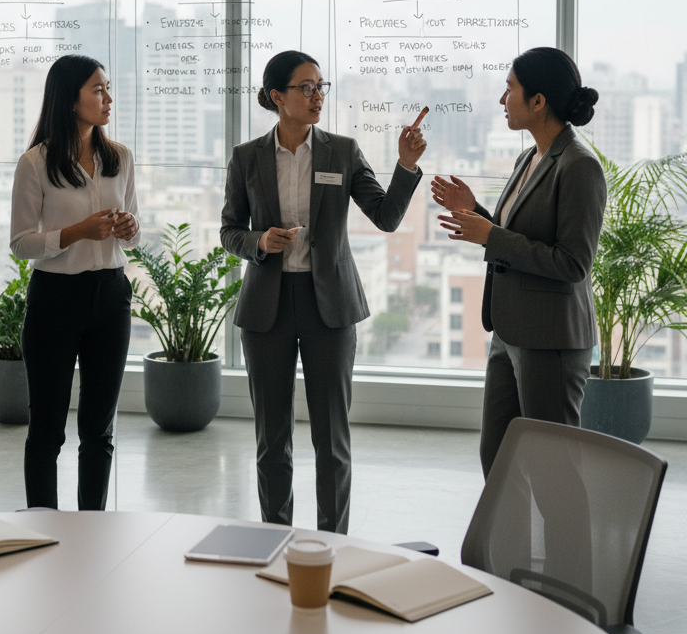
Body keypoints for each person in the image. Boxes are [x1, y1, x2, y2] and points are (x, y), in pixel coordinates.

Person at [220, 50, 426, 534]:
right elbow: (230, 231)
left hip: (328, 308)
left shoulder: (342, 151)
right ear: (277, 97)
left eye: (320, 87)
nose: (317, 96)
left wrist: (406, 165)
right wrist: (259, 241)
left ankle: (334, 542)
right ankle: (276, 535)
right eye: (306, 87)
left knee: (332, 439)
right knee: (272, 440)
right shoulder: (246, 157)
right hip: (266, 308)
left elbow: (387, 217)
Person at [433, 47, 605, 477]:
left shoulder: (580, 167)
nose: (501, 99)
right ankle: (508, 547)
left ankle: (566, 549)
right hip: (509, 332)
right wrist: (479, 214)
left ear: (538, 101)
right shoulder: (527, 158)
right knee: (497, 460)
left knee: (553, 472)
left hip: (550, 340)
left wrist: (490, 235)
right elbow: (520, 238)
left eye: (509, 88)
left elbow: (572, 263)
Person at [10, 55, 141, 510]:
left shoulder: (120, 157)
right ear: (70, 99)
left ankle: (93, 527)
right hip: (55, 300)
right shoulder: (36, 162)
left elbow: (136, 226)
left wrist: (128, 228)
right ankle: (41, 526)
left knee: (99, 429)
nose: (108, 99)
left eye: (108, 89)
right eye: (98, 90)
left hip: (111, 295)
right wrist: (75, 233)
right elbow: (21, 243)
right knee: (46, 429)